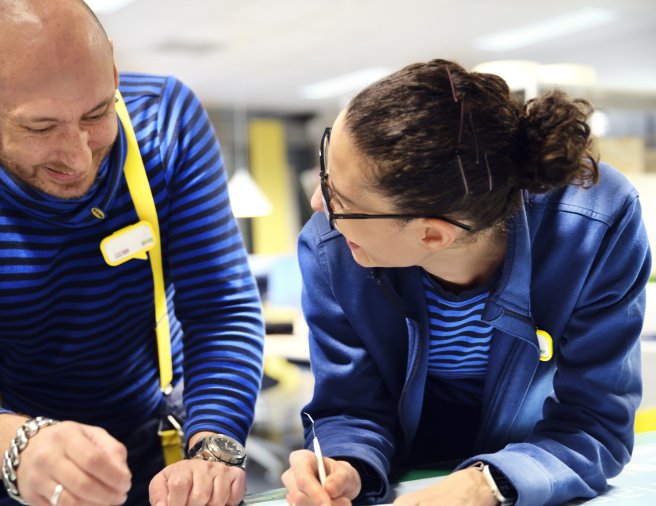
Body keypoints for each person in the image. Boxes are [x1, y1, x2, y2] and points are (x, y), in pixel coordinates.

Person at [281, 59, 651, 506]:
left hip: (541, 464)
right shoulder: (333, 245)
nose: (320, 204)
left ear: (433, 234)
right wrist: (345, 463)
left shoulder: (596, 225)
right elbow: (349, 406)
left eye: (342, 199)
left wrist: (489, 483)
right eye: (326, 170)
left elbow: (594, 423)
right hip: (404, 474)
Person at [0, 1, 264, 505]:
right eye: (40, 128)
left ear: (113, 68)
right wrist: (16, 444)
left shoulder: (167, 122)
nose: (78, 157)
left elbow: (221, 311)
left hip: (158, 450)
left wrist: (213, 449)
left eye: (97, 112)